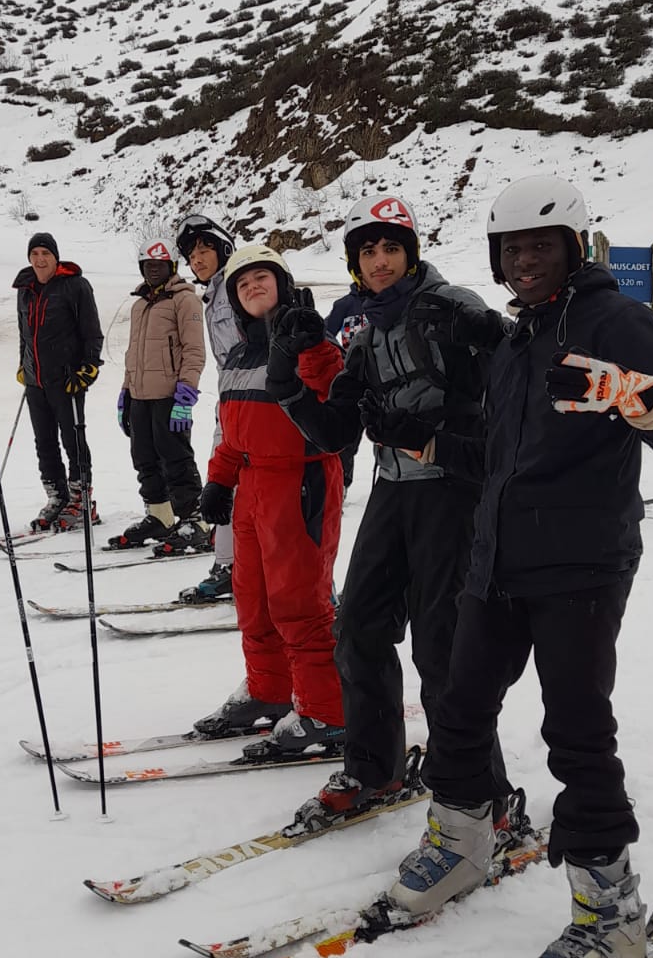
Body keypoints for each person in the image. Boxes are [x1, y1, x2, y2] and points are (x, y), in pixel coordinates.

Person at [383, 175, 653, 958]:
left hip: (580, 567)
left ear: (571, 247)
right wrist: (429, 440)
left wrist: (634, 399)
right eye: (512, 249)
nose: (525, 261)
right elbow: (503, 457)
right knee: (458, 706)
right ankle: (464, 843)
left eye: (540, 246)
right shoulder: (518, 341)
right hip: (497, 562)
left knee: (576, 733)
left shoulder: (616, 321)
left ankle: (613, 918)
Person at [264, 196, 497, 829]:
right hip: (394, 490)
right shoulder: (363, 333)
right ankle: (374, 768)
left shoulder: (455, 308)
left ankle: (482, 793)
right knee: (359, 629)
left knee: (443, 647)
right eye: (367, 251)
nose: (380, 260)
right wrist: (285, 377)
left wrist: (445, 433)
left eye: (392, 247)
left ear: (412, 253)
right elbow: (335, 431)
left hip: (453, 490)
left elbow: (511, 394)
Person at [192, 245, 346, 751]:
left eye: (262, 277)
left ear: (282, 284)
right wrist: (219, 480)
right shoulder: (238, 356)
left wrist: (314, 343)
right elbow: (232, 431)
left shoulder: (310, 343)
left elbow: (335, 398)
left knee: (299, 603)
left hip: (300, 483)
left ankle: (327, 711)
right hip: (252, 487)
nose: (253, 287)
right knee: (253, 600)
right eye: (242, 283)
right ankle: (270, 690)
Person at [112, 237, 208, 554]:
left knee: (175, 457)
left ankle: (194, 518)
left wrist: (186, 393)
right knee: (144, 456)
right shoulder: (139, 305)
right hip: (140, 396)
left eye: (160, 265)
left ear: (172, 266)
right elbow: (133, 354)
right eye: (148, 265)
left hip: (170, 395)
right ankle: (160, 515)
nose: (153, 270)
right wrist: (126, 392)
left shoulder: (185, 300)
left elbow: (194, 350)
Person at [14, 231, 103, 531]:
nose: (40, 260)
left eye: (46, 254)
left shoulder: (75, 286)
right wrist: (23, 365)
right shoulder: (25, 289)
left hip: (67, 380)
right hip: (35, 381)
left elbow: (92, 331)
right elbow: (24, 334)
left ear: (56, 257)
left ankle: (82, 500)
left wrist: (89, 367)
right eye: (35, 254)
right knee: (44, 443)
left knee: (73, 441)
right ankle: (57, 496)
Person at [173, 213, 240, 602]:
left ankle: (313, 586)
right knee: (223, 486)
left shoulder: (239, 285)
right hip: (230, 405)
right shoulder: (215, 296)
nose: (196, 259)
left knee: (266, 494)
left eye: (204, 249)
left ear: (223, 249)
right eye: (191, 255)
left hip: (258, 407)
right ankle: (229, 566)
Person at [323, 276, 369, 493]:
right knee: (348, 438)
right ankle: (341, 485)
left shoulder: (389, 303)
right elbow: (325, 333)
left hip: (387, 376)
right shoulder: (344, 305)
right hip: (355, 377)